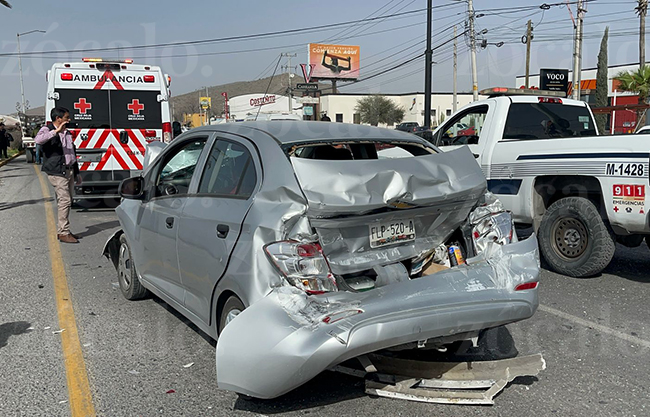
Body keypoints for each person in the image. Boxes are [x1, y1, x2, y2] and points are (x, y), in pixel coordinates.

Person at [35, 107, 81, 244]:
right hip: (57, 171)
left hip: (69, 170)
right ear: (58, 118)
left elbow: (71, 153)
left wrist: (76, 172)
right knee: (65, 200)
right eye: (66, 117)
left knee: (67, 200)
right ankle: (63, 232)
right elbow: (38, 140)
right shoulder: (47, 129)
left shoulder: (67, 133)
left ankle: (64, 229)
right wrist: (56, 132)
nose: (69, 119)